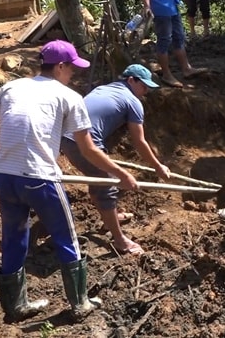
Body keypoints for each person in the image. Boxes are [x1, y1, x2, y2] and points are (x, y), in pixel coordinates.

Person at [0, 40, 138, 322]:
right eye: (72, 69)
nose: (74, 75)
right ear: (60, 67)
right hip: (39, 178)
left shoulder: (12, 87)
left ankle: (15, 307)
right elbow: (88, 149)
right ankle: (80, 304)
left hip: (5, 178)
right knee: (66, 238)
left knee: (14, 237)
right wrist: (121, 174)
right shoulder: (68, 96)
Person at [61, 64, 171, 256]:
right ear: (130, 80)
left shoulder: (103, 88)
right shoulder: (132, 101)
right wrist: (158, 167)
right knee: (108, 183)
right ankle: (120, 241)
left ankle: (111, 216)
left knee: (103, 179)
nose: (145, 92)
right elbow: (140, 142)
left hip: (67, 138)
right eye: (143, 86)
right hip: (84, 143)